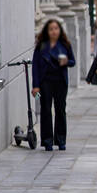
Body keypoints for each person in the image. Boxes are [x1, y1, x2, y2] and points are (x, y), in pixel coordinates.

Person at [31, 18, 75, 150]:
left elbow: (73, 61)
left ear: (60, 30)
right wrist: (35, 86)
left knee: (60, 109)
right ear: (47, 31)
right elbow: (35, 67)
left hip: (60, 81)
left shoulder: (65, 45)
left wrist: (66, 62)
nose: (54, 31)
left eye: (56, 29)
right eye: (51, 29)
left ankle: (61, 140)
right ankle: (47, 140)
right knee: (45, 109)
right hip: (45, 83)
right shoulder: (41, 46)